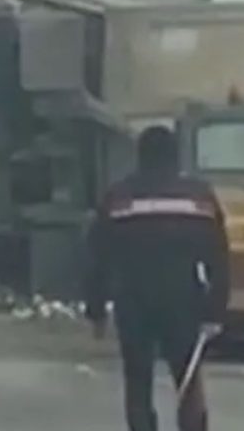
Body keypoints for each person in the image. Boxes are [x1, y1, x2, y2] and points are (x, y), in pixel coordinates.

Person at [85, 126, 230, 431]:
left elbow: (98, 258)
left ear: (139, 156)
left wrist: (96, 310)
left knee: (138, 382)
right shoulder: (198, 197)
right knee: (188, 381)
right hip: (184, 301)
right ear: (176, 155)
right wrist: (215, 310)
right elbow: (219, 257)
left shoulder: (118, 197)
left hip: (133, 301)